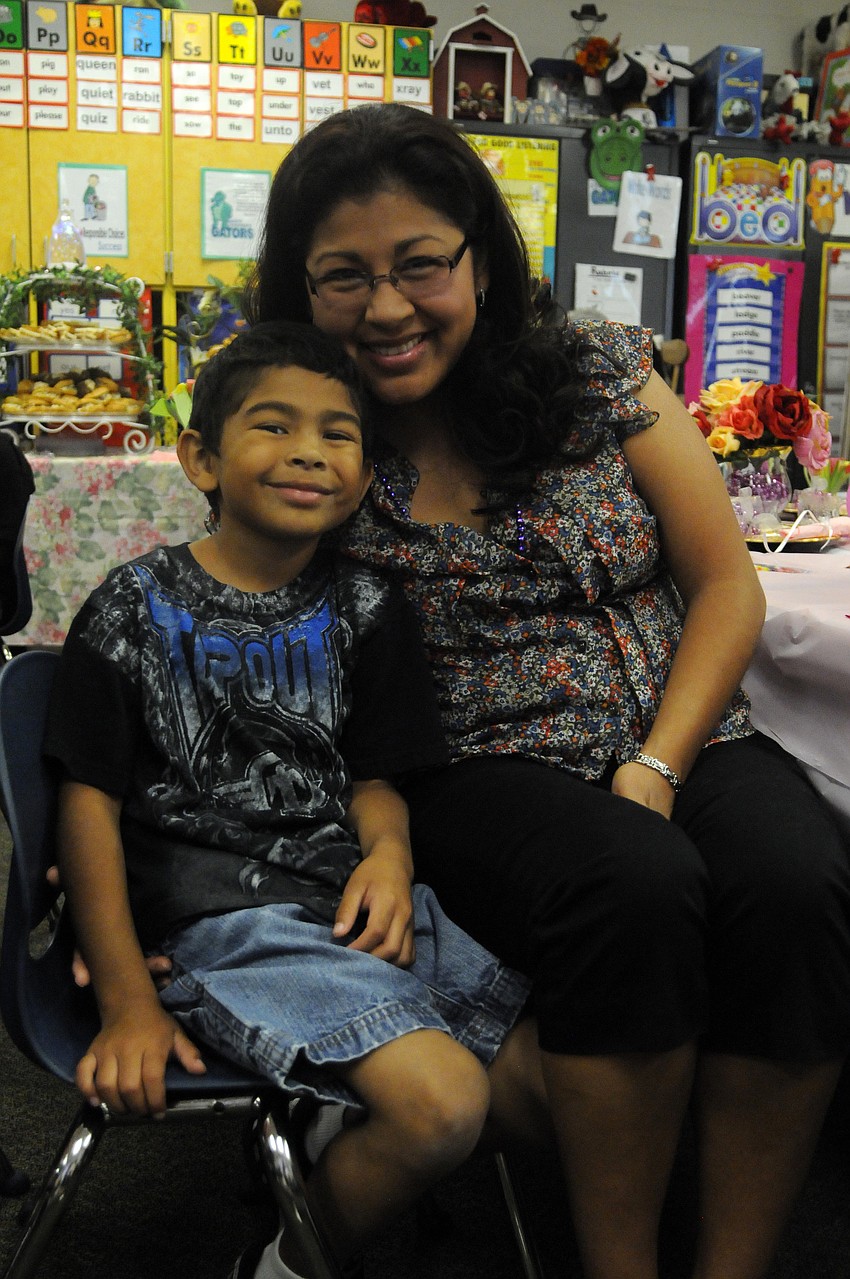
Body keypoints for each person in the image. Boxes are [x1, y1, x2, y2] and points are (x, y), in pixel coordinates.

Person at [239, 102, 850, 1279]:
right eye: (342, 277)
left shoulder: (587, 367)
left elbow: (725, 584)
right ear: (296, 287)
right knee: (632, 881)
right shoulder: (308, 432)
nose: (386, 307)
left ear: (479, 252)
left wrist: (656, 764)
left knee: (794, 879)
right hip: (477, 764)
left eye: (421, 263)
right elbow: (231, 621)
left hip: (687, 728)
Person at [43, 322, 537, 1279]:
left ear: (360, 474)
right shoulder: (132, 606)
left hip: (353, 908)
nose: (311, 449)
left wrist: (390, 857)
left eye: (339, 434)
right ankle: (277, 1267)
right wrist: (125, 999)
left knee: (557, 1092)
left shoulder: (366, 609)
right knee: (444, 1103)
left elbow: (375, 777)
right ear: (200, 458)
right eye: (274, 426)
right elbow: (87, 809)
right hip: (216, 923)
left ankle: (325, 1122)